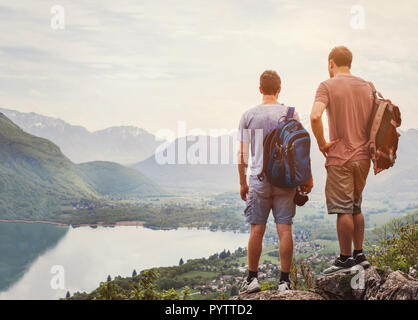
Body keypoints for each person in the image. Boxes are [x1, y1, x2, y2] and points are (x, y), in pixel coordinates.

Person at [237, 70, 313, 293]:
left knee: (256, 230)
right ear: (279, 89)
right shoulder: (291, 114)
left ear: (260, 89)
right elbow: (301, 152)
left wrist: (243, 183)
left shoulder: (248, 116)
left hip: (259, 180)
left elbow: (242, 156)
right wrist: (307, 177)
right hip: (285, 182)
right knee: (284, 230)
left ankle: (252, 279)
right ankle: (284, 282)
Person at [310, 46, 372, 274]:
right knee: (356, 207)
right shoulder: (366, 86)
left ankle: (345, 259)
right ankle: (360, 254)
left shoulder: (327, 85)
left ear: (331, 63)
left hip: (340, 156)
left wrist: (322, 142)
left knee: (343, 209)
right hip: (364, 157)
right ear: (351, 63)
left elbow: (315, 115)